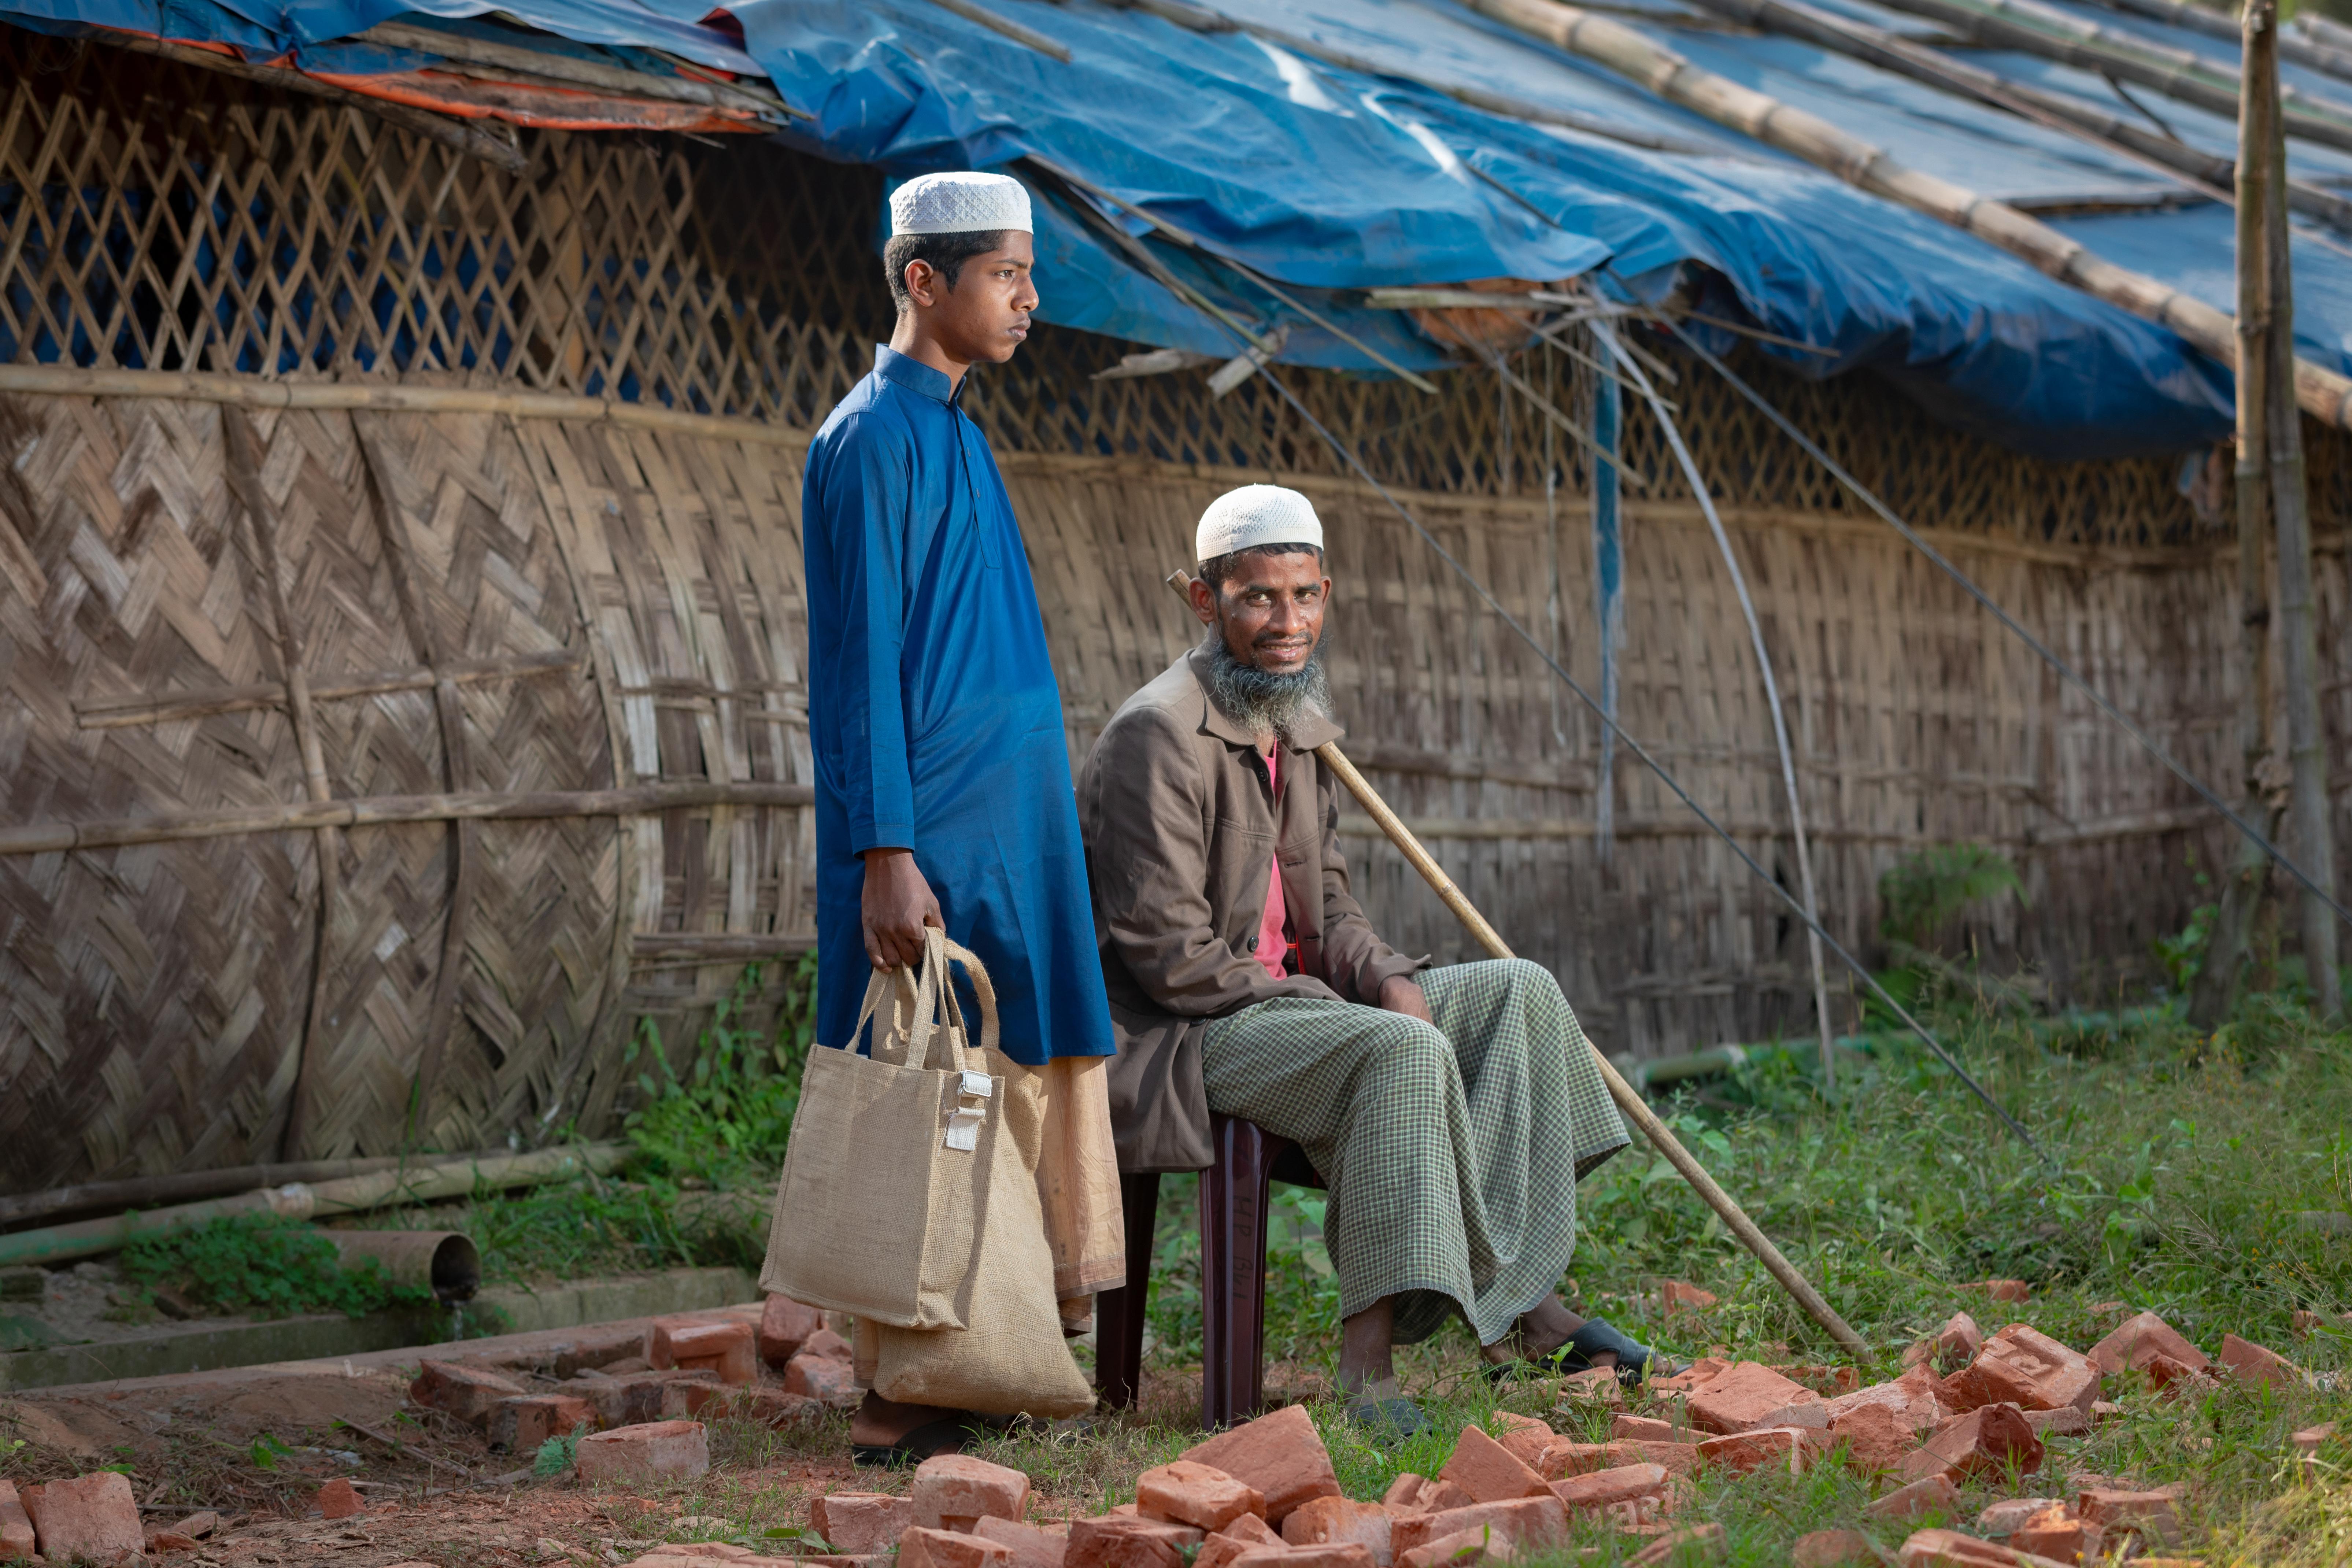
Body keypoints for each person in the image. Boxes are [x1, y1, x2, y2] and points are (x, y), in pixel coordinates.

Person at [1077, 483, 1657, 1434]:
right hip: (1187, 1034)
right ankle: (1372, 1369)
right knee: (1397, 1049)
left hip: (1292, 1011)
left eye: (1303, 596)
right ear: (1203, 600)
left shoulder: (1294, 725)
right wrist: (1346, 1007)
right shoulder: (1156, 734)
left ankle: (1519, 1304)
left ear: (1327, 593)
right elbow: (1168, 957)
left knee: (1520, 992)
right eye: (1257, 597)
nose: (1286, 621)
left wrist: (1386, 978)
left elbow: (1329, 907)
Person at [801, 170, 1120, 1462]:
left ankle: (996, 1350)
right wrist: (887, 851)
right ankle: (908, 1382)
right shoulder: (871, 437)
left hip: (1012, 825)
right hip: (923, 833)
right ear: (924, 282)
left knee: (1010, 1068)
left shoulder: (963, 433)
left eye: (1029, 277)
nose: (1028, 301)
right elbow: (862, 665)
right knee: (928, 1080)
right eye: (1006, 276)